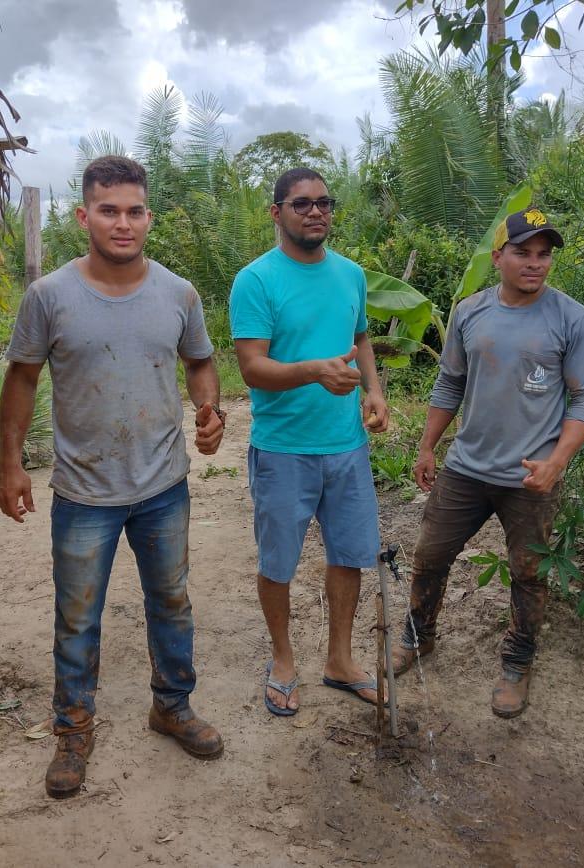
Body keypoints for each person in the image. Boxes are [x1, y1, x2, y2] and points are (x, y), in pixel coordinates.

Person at [0, 156, 227, 799]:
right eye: (108, 210)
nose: (122, 223)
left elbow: (202, 362)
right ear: (84, 216)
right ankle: (73, 729)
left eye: (133, 211)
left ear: (148, 216)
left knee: (172, 601)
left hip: (162, 486)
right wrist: (10, 463)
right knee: (76, 617)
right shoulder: (49, 296)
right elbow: (21, 378)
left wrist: (210, 414)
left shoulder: (178, 293)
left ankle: (172, 707)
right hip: (83, 491)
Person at [391, 207, 584, 719]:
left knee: (528, 572)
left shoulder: (572, 320)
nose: (535, 264)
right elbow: (450, 383)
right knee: (430, 555)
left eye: (544, 255)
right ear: (498, 257)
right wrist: (427, 446)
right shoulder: (470, 312)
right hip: (467, 467)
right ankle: (419, 635)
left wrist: (557, 462)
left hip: (531, 477)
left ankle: (518, 661)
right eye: (523, 253)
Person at [230, 167, 389, 717]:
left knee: (349, 555)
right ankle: (282, 660)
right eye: (301, 204)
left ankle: (340, 661)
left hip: (345, 446)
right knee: (279, 562)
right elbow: (252, 368)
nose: (315, 211)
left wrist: (373, 390)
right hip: (283, 449)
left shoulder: (351, 275)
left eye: (324, 202)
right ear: (277, 212)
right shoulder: (256, 280)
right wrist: (314, 372)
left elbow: (361, 336)